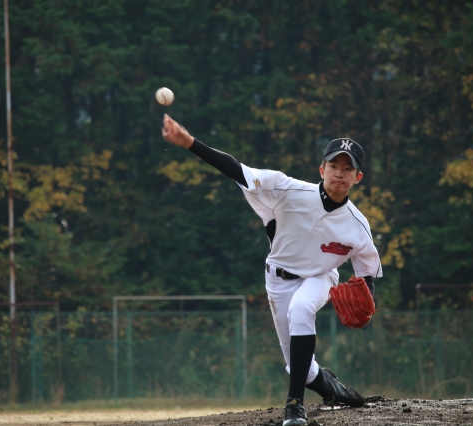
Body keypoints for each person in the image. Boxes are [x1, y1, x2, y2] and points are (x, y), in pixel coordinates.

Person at [161, 114, 382, 426]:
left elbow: (366, 271)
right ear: (322, 170)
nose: (340, 173)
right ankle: (335, 389)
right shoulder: (288, 190)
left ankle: (294, 406)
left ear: (358, 177)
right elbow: (238, 170)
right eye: (334, 165)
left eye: (348, 169)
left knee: (302, 308)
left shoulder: (358, 225)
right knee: (300, 369)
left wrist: (368, 301)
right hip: (277, 279)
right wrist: (190, 144)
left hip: (320, 277)